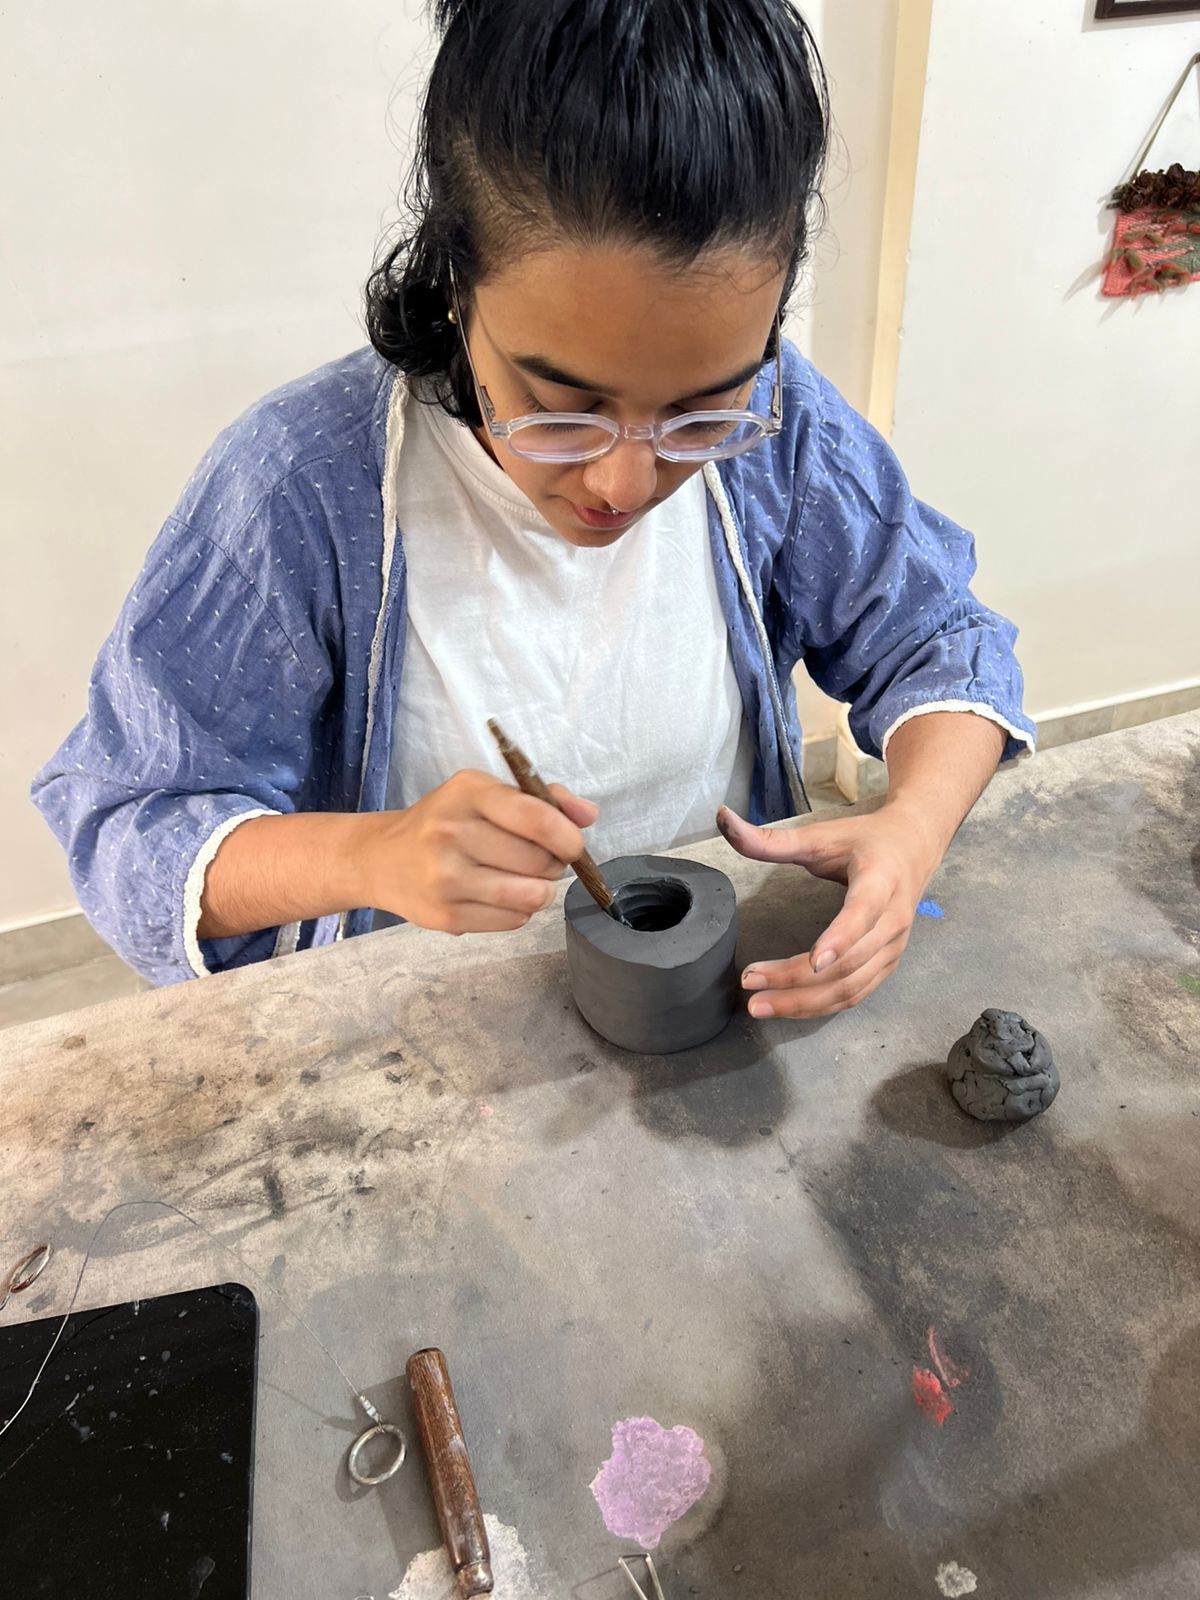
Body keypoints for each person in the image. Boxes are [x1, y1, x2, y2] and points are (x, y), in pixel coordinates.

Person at [33, 0, 1033, 1017]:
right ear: (456, 277)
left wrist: (912, 824)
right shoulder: (298, 488)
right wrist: (371, 854)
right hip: (428, 1046)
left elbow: (939, 638)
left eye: (697, 416)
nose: (624, 485)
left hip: (718, 1009)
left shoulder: (782, 428)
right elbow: (128, 824)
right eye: (563, 412)